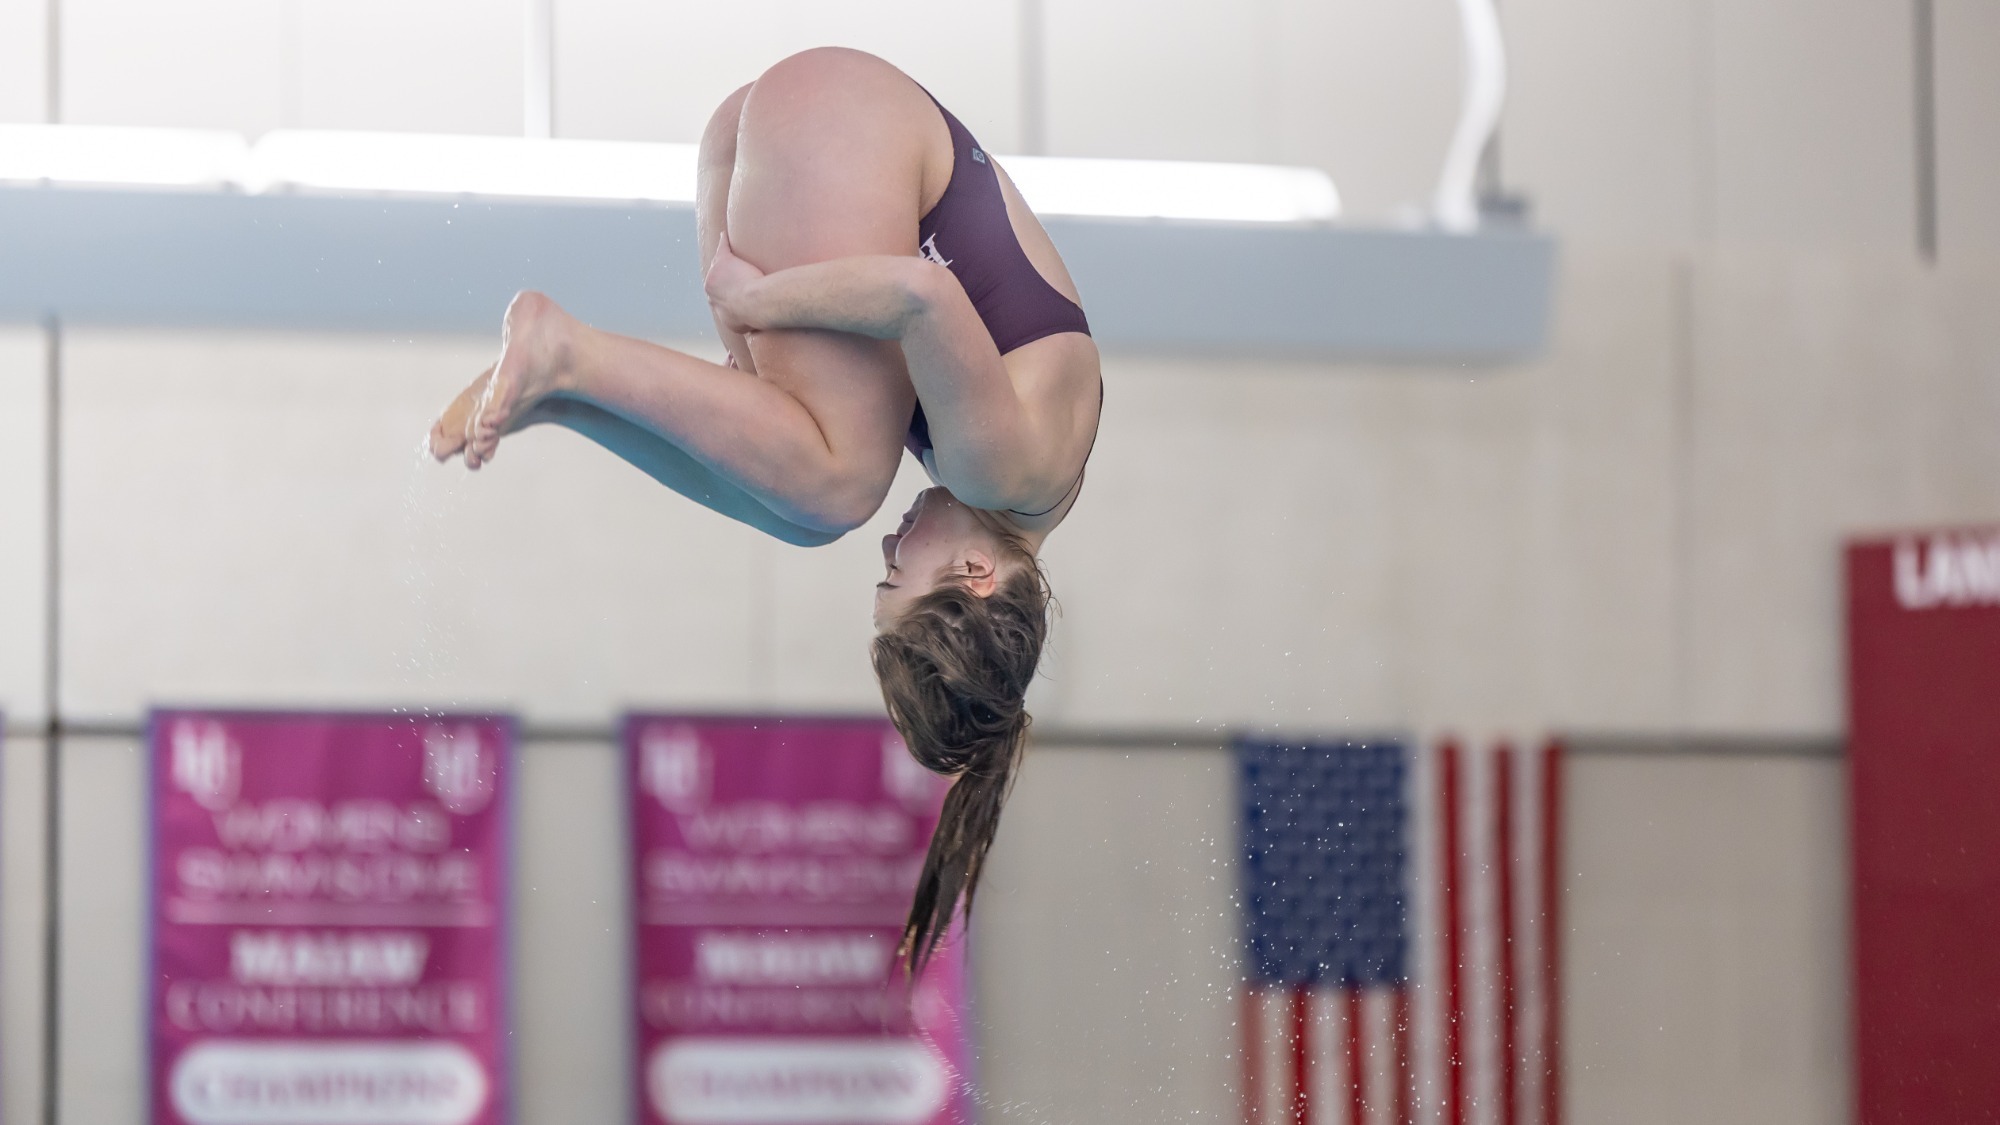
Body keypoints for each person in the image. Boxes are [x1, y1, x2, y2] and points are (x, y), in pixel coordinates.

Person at [428, 47, 1101, 968]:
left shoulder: (1027, 489)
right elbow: (922, 294)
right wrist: (761, 301)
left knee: (798, 508)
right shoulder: (1002, 473)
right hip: (836, 126)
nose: (893, 544)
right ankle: (569, 357)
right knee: (840, 489)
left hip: (793, 141)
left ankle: (565, 394)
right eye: (897, 575)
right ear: (978, 575)